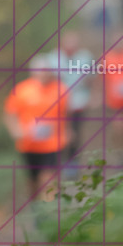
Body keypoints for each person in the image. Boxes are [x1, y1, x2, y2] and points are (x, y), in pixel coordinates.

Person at [4, 56, 69, 202]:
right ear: (32, 72)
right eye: (40, 71)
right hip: (29, 145)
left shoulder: (60, 89)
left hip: (53, 144)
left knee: (47, 179)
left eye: (46, 70)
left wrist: (67, 132)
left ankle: (49, 214)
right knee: (33, 181)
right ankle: (36, 209)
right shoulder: (21, 90)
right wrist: (17, 131)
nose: (43, 74)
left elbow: (66, 114)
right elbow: (9, 115)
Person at [38, 33, 93, 177]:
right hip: (57, 103)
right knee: (57, 133)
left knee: (74, 132)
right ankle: (56, 164)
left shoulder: (85, 57)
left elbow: (91, 78)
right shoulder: (52, 58)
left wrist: (93, 95)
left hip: (78, 102)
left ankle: (72, 163)